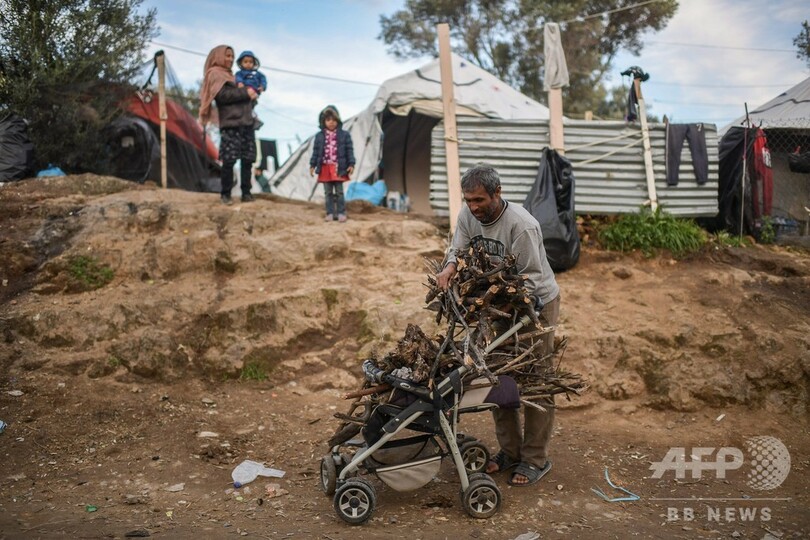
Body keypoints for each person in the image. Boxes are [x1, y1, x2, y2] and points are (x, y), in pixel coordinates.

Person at [435, 163, 561, 487]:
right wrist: (449, 267)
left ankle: (535, 459)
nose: (474, 207)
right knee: (497, 377)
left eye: (479, 200)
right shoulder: (468, 215)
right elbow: (457, 248)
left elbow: (531, 280)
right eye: (469, 200)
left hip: (536, 307)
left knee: (536, 381)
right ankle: (510, 451)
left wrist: (506, 309)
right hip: (496, 304)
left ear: (497, 193)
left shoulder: (522, 226)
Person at [199, 45, 258, 205]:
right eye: (227, 56)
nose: (231, 59)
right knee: (229, 160)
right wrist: (245, 93)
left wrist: (253, 95)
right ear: (218, 56)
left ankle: (246, 193)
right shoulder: (215, 74)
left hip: (246, 122)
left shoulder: (236, 76)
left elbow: (246, 97)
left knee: (248, 159)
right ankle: (226, 194)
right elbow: (222, 96)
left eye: (232, 56)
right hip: (231, 123)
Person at [309, 105, 355, 223]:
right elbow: (315, 152)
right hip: (325, 167)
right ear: (323, 121)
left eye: (334, 120)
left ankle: (341, 213)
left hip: (338, 167)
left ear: (338, 120)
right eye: (328, 120)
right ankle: (330, 213)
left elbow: (349, 150)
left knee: (339, 191)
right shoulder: (319, 136)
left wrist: (351, 164)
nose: (331, 122)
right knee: (328, 192)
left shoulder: (344, 135)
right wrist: (312, 165)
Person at [234, 50, 267, 130]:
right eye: (245, 62)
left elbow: (263, 79)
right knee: (246, 107)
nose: (248, 64)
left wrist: (262, 86)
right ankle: (254, 119)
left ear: (254, 63)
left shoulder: (258, 73)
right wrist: (240, 82)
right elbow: (238, 78)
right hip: (245, 91)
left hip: (255, 92)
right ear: (241, 63)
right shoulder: (240, 73)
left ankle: (253, 119)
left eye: (250, 62)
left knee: (250, 106)